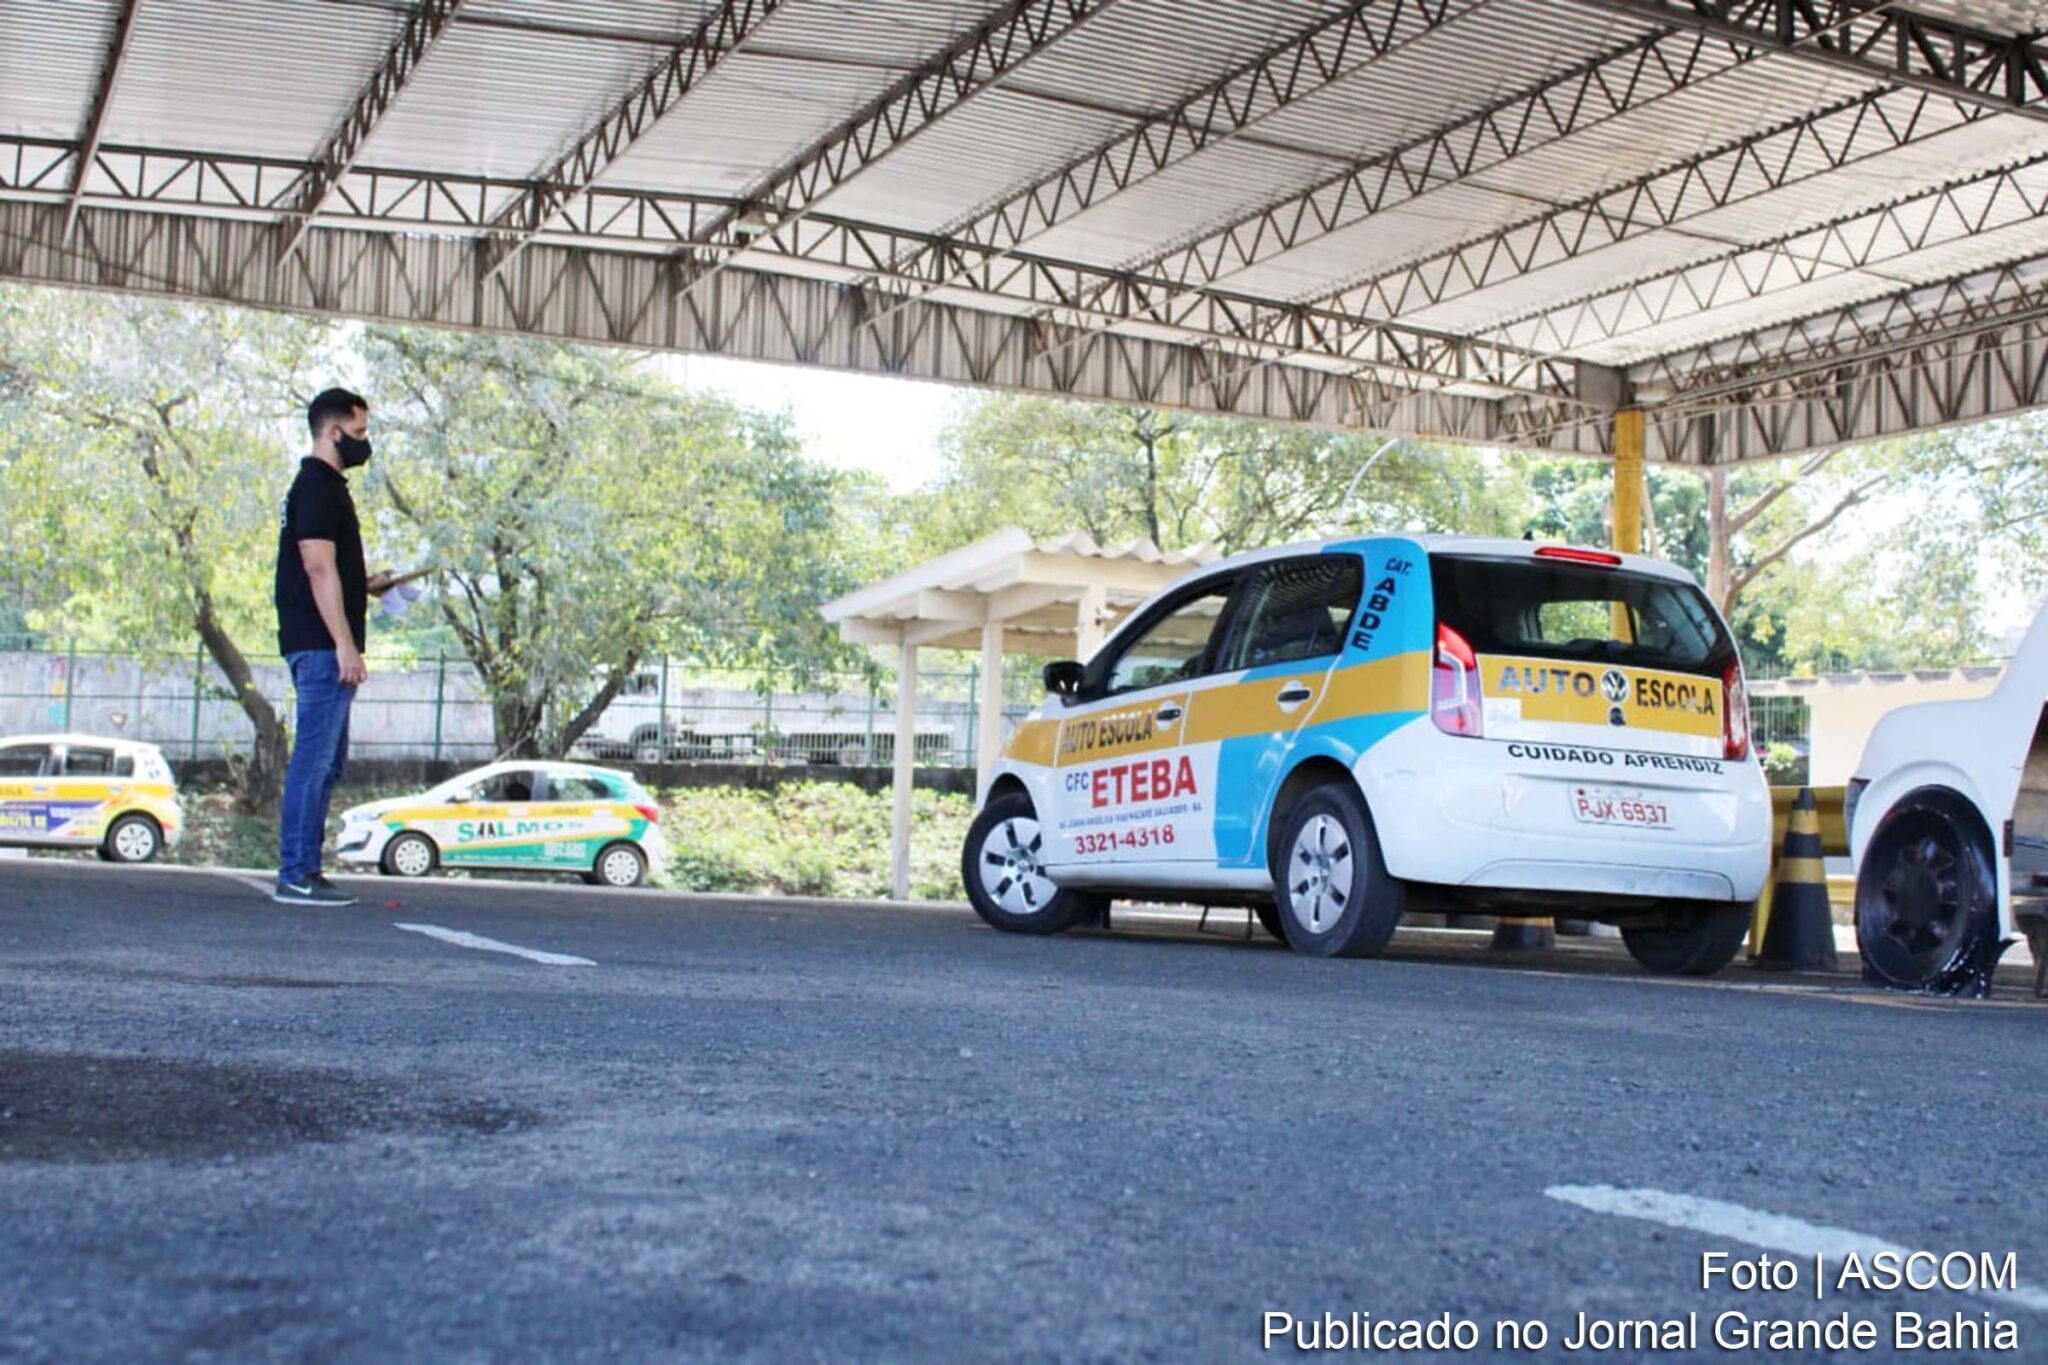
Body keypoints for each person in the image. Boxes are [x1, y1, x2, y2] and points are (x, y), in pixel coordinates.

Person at [273, 388, 398, 906]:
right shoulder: (319, 487)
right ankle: (296, 873)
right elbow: (316, 566)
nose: (364, 444)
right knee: (313, 760)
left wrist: (363, 584)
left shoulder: (322, 489)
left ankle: (306, 869)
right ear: (333, 431)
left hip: (324, 642)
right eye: (360, 433)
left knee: (328, 763)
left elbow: (329, 569)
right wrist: (345, 644)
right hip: (324, 647)